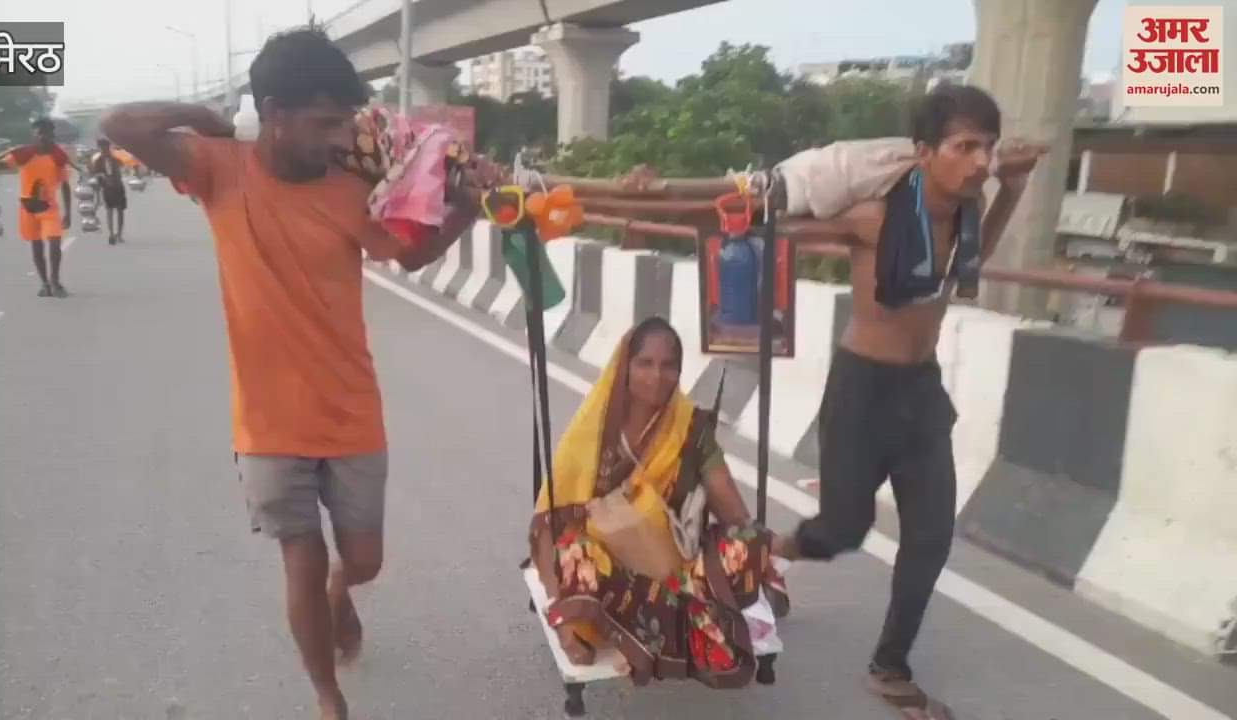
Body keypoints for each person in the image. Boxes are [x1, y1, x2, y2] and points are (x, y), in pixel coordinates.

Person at [100, 27, 498, 720]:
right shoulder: (216, 166)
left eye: (343, 121)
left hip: (350, 411)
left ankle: (345, 594)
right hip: (267, 423)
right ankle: (327, 694)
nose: (335, 136)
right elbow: (117, 125)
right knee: (299, 560)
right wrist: (202, 117)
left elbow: (407, 257)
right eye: (321, 122)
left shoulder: (348, 189)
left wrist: (466, 207)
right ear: (274, 114)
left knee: (364, 560)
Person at [770, 85, 1047, 719]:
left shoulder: (969, 213)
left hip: (920, 392)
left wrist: (1016, 187)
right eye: (964, 146)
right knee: (842, 529)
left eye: (987, 148)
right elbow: (773, 221)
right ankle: (765, 557)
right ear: (925, 152)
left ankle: (890, 663)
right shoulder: (875, 216)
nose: (980, 161)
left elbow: (977, 256)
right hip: (861, 388)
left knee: (929, 537)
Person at [531, 317, 789, 689]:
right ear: (626, 367)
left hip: (675, 564)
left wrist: (754, 547)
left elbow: (733, 511)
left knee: (749, 542)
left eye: (669, 365)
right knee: (571, 547)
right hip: (609, 564)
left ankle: (658, 623)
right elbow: (554, 516)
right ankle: (588, 624)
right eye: (645, 363)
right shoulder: (594, 431)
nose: (657, 376)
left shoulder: (691, 429)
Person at [0, 117, 78, 298]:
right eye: (39, 133)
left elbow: (64, 185)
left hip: (49, 208)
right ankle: (44, 283)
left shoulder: (57, 156)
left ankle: (55, 282)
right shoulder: (23, 155)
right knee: (36, 246)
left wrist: (68, 213)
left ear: (52, 134)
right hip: (27, 208)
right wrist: (7, 151)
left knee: (54, 242)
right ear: (35, 135)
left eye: (47, 133)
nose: (43, 137)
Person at [90, 138, 128, 245]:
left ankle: (119, 234)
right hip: (107, 188)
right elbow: (95, 175)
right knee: (110, 211)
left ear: (108, 147)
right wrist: (101, 180)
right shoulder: (98, 162)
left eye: (105, 147)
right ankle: (111, 233)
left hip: (118, 187)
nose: (104, 150)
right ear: (99, 148)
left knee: (120, 211)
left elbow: (122, 169)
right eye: (101, 148)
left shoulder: (116, 159)